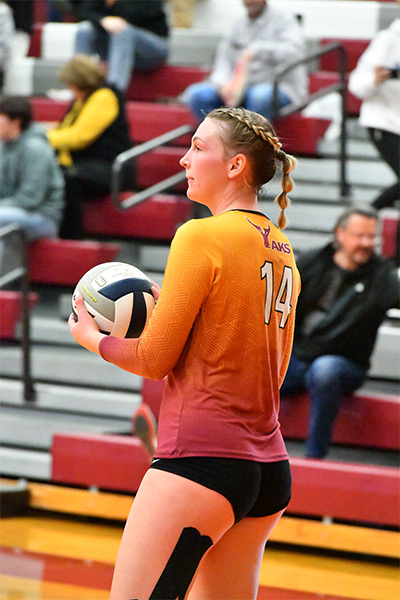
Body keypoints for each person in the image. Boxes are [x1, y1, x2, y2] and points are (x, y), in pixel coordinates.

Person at [69, 106, 301, 599]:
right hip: (268, 472)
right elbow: (256, 362)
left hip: (199, 464)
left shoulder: (200, 234)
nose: (184, 160)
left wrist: (93, 338)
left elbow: (153, 361)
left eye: (198, 147)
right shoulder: (283, 249)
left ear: (235, 166)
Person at [280, 207, 399, 459]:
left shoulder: (382, 276)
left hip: (345, 364)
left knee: (325, 371)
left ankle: (315, 457)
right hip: (298, 356)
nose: (366, 243)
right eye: (360, 236)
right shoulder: (313, 261)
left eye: (372, 237)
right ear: (340, 234)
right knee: (257, 366)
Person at [47, 55, 132, 239]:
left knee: (66, 179)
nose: (70, 90)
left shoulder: (105, 96)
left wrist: (43, 136)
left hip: (110, 168)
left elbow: (79, 137)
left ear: (80, 81)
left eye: (71, 84)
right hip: (88, 164)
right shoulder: (82, 100)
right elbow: (65, 129)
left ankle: (71, 237)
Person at [182, 0, 307, 122]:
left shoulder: (284, 20)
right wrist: (223, 85)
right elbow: (223, 61)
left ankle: (252, 141)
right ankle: (218, 139)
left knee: (258, 96)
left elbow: (294, 53)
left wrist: (257, 50)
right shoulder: (237, 24)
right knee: (197, 95)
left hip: (278, 87)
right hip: (239, 88)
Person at [0, 96, 64, 254]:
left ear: (16, 121)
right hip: (11, 211)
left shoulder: (36, 148)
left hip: (41, 216)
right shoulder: (4, 147)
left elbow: (30, 199)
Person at [348, 18, 400, 210]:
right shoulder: (388, 40)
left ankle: (363, 217)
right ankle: (364, 217)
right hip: (384, 122)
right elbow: (356, 85)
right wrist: (375, 80)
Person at [74, 0, 169, 93]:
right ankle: (79, 86)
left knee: (122, 30)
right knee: (84, 29)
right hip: (115, 46)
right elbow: (84, 11)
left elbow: (142, 13)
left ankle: (113, 93)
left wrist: (113, 6)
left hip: (153, 47)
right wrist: (102, 20)